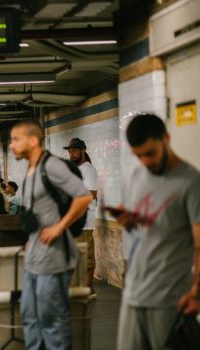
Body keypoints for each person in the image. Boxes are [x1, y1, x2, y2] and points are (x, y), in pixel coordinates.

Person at [109, 114, 200, 350]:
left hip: (170, 298)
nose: (145, 161)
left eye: (150, 153)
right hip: (134, 293)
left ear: (166, 139)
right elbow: (141, 229)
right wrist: (128, 221)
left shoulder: (190, 182)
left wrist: (197, 292)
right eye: (138, 155)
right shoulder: (138, 175)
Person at [10, 119, 92, 349]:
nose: (11, 145)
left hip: (53, 259)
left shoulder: (51, 166)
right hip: (33, 259)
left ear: (33, 140)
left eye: (16, 139)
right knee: (30, 318)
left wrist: (59, 226)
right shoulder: (31, 169)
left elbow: (84, 197)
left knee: (52, 321)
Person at [64, 137, 98, 297]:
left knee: (86, 255)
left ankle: (89, 287)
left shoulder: (88, 169)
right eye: (70, 151)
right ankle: (80, 286)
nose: (71, 154)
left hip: (84, 221)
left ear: (83, 151)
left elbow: (91, 194)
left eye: (74, 151)